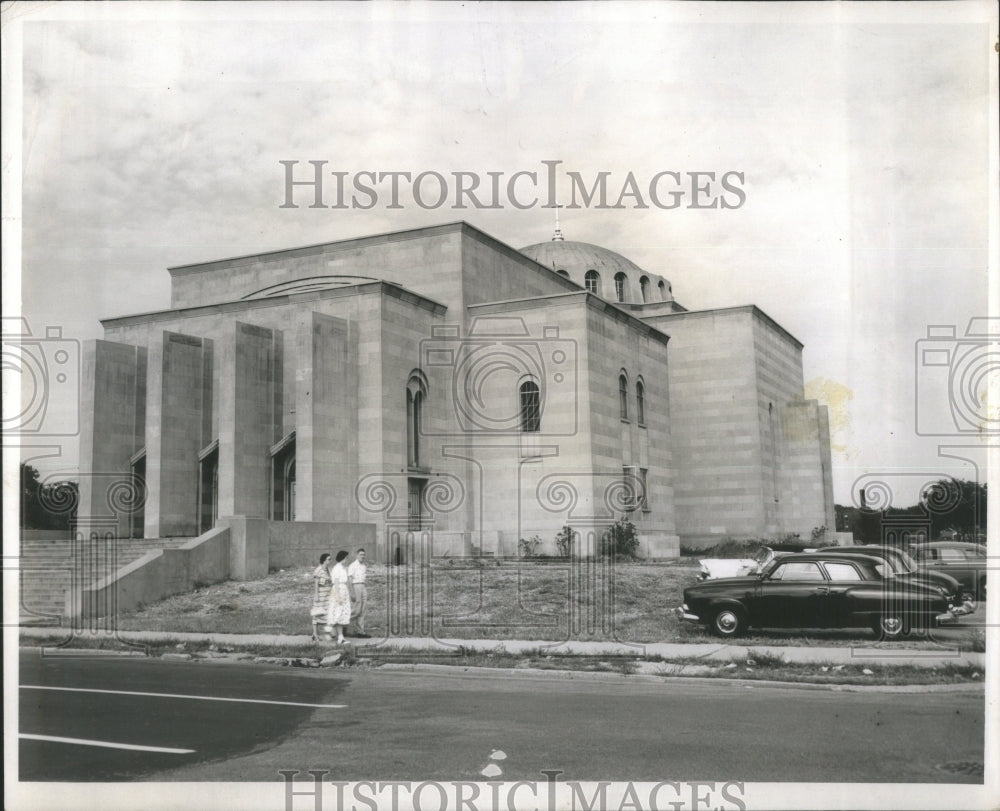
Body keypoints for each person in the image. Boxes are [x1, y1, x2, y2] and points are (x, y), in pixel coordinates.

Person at [326, 550, 352, 644]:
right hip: (339, 591)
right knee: (338, 613)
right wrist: (338, 596)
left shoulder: (342, 567)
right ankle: (338, 637)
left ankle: (339, 636)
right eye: (346, 557)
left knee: (341, 614)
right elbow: (336, 583)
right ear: (343, 557)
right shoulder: (337, 568)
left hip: (343, 590)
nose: (347, 559)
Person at [347, 548, 369, 638]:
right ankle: (340, 624)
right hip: (355, 586)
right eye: (360, 554)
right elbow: (349, 580)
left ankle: (360, 632)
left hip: (363, 586)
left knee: (362, 610)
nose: (362, 556)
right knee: (356, 610)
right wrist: (352, 592)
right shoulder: (353, 565)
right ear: (357, 555)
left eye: (363, 555)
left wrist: (363, 588)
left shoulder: (364, 566)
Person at [310, 553, 332, 642]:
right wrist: (316, 595)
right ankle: (315, 634)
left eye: (330, 559)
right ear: (324, 560)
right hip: (320, 596)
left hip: (327, 597)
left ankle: (326, 634)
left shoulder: (328, 570)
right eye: (329, 559)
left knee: (326, 615)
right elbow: (316, 584)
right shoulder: (318, 570)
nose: (330, 561)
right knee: (317, 614)